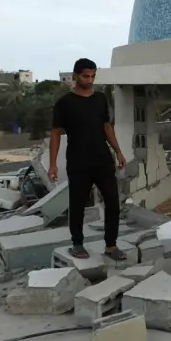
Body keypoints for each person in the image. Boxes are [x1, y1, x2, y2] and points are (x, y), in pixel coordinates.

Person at [48, 58, 127, 261]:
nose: (90, 80)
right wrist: (53, 164)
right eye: (86, 76)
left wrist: (118, 150)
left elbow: (106, 126)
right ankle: (77, 243)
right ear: (75, 76)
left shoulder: (100, 98)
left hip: (102, 159)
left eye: (93, 76)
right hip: (78, 161)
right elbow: (56, 133)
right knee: (77, 205)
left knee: (112, 202)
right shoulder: (64, 103)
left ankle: (111, 245)